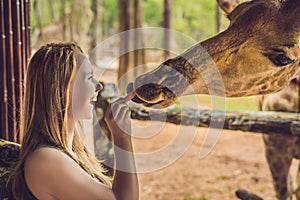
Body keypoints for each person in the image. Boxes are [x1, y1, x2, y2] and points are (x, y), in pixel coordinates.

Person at [7, 42, 138, 200]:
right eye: (89, 78)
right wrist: (122, 138)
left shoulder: (70, 152)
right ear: (62, 89)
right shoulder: (46, 160)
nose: (98, 86)